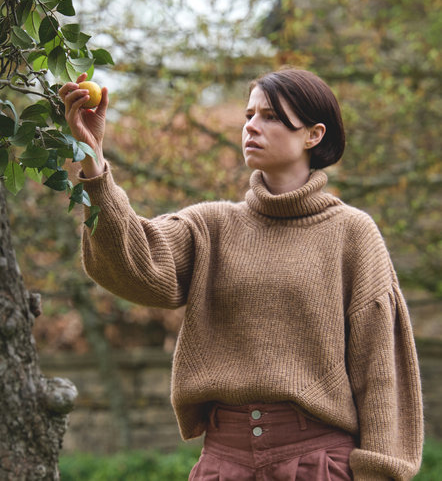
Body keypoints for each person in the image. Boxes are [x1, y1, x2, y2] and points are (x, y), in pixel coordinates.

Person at [59, 67, 424, 480]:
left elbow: (380, 371)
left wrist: (380, 473)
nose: (252, 126)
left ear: (313, 134)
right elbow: (130, 264)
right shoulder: (211, 226)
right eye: (249, 115)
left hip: (318, 464)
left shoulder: (352, 234)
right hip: (223, 464)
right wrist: (93, 159)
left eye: (270, 116)